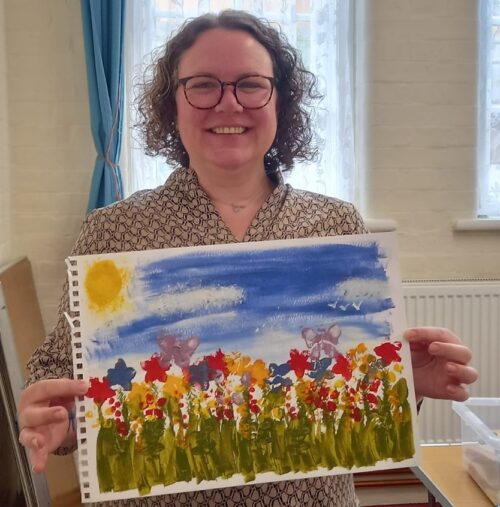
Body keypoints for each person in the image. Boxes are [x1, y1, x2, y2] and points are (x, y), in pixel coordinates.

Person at [18, 10, 478, 507]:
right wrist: (58, 419)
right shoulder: (112, 233)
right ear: (172, 104)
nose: (229, 103)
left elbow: (356, 400)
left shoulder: (336, 225)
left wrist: (408, 383)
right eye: (203, 85)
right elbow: (62, 380)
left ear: (281, 100)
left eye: (251, 84)